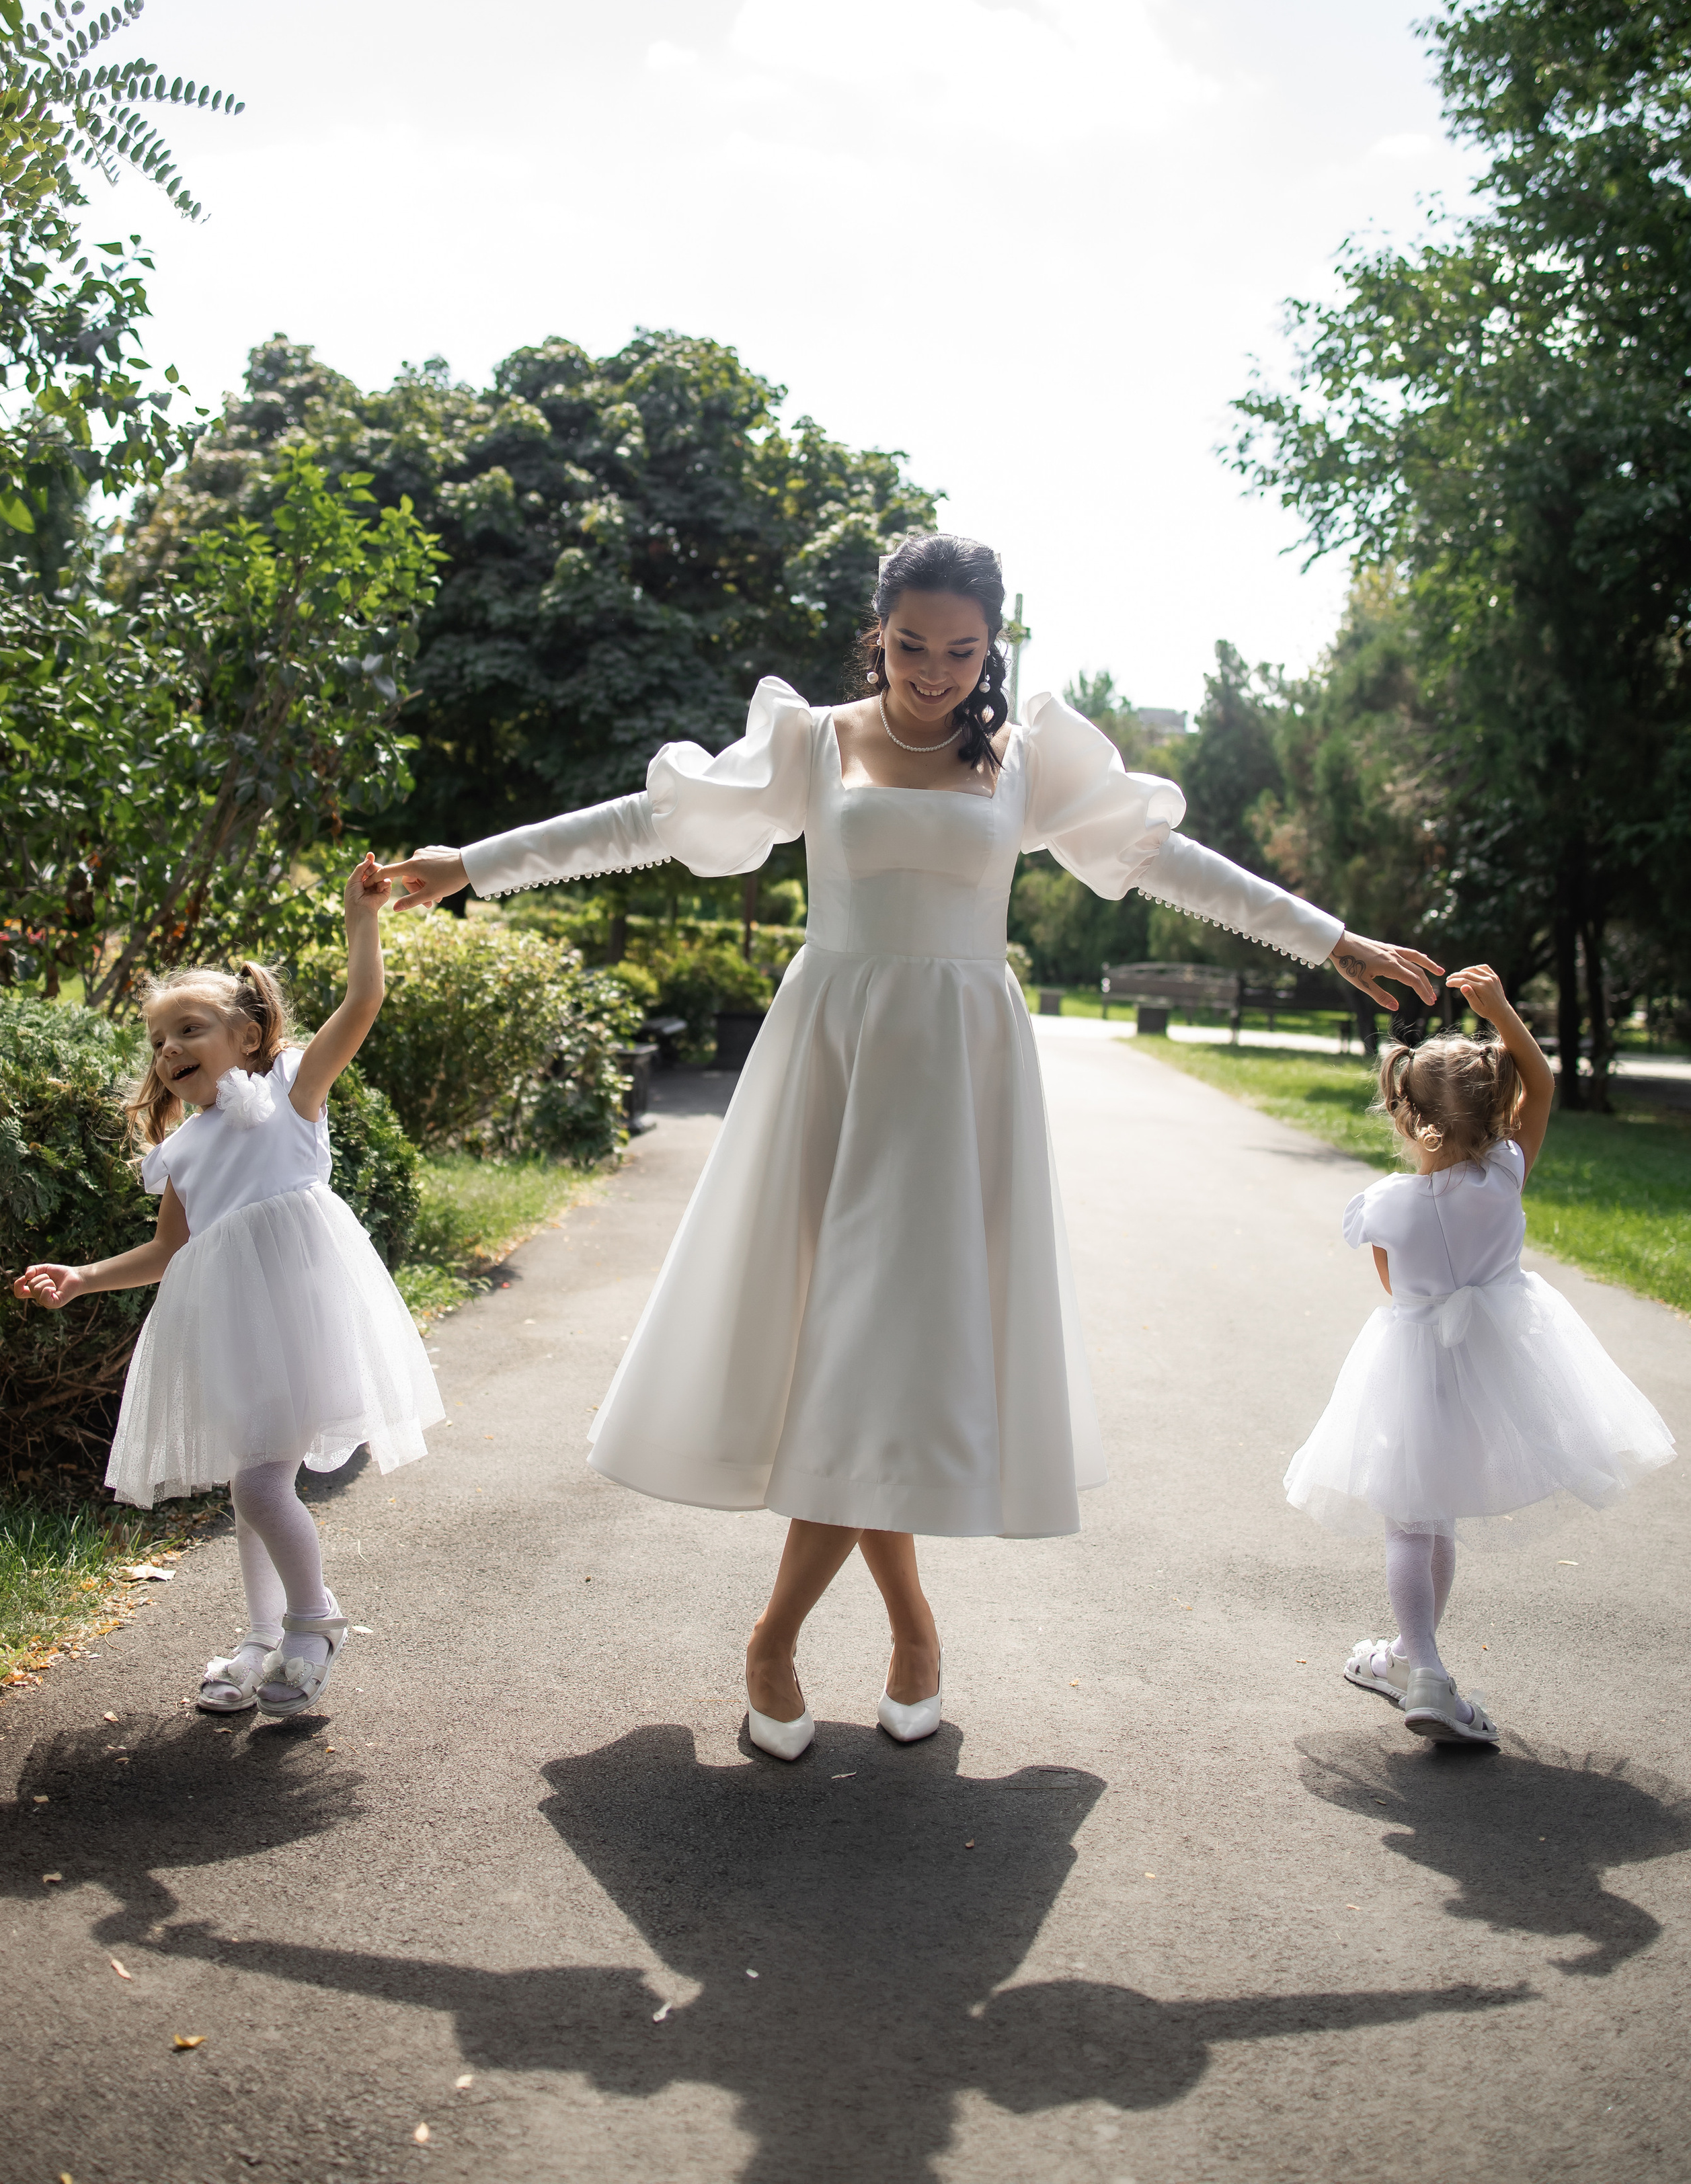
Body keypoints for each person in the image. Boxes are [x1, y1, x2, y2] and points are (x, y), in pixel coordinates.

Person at [389, 532, 1435, 1758]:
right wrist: (478, 864)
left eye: (961, 650)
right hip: (831, 1058)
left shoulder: (1026, 759)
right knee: (855, 1354)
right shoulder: (814, 741)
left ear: (993, 646)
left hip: (958, 1078)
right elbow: (651, 823)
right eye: (910, 646)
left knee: (884, 1352)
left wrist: (1332, 939)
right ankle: (904, 1633)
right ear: (875, 633)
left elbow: (1169, 864)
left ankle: (786, 1639)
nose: (934, 672)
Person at [13, 855, 442, 1717]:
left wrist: (362, 924)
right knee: (254, 1482)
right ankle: (262, 1636)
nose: (169, 1048)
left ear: (247, 1036)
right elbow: (170, 1251)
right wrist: (84, 1278)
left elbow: (361, 1005)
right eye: (158, 1040)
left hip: (300, 1314)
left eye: (190, 1028)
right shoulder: (181, 1150)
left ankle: (314, 1622)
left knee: (257, 1484)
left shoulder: (290, 1093)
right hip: (232, 1325)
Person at [1286, 963, 1675, 1745]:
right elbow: (1543, 1084)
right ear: (1498, 1113)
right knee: (1443, 1516)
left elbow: (1398, 1292)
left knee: (1408, 1519)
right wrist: (1499, 1013)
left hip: (1412, 1368)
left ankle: (1419, 1665)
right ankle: (1409, 1654)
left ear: (1405, 1117)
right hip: (1496, 1369)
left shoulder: (1387, 1208)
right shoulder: (1505, 1174)